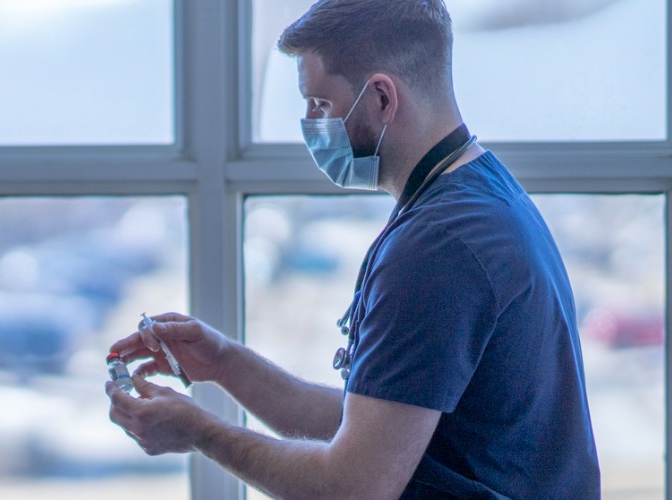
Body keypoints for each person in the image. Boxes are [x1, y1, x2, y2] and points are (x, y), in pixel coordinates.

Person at [104, 1, 600, 498]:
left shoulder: (439, 246)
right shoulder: (477, 195)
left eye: (320, 105)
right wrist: (224, 363)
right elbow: (379, 425)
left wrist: (201, 432)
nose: (309, 124)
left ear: (382, 97)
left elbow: (353, 485)